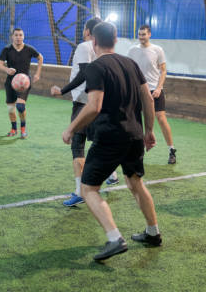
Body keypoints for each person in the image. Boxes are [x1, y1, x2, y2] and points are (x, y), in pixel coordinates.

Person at [62, 22, 162, 261]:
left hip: (110, 136)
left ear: (93, 42)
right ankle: (153, 233)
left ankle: (114, 238)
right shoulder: (131, 64)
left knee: (88, 188)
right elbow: (147, 99)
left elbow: (94, 106)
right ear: (116, 40)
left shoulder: (96, 67)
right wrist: (148, 129)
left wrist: (71, 128)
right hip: (135, 134)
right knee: (135, 182)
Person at [51, 18, 103, 207]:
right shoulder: (102, 49)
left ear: (88, 31)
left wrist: (62, 90)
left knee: (77, 146)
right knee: (99, 143)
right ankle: (110, 176)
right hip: (99, 102)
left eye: (84, 29)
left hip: (83, 102)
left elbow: (84, 73)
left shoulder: (84, 46)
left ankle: (79, 191)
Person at [127, 25, 177, 164]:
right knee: (136, 119)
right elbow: (130, 70)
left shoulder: (157, 50)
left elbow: (163, 71)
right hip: (138, 91)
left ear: (149, 34)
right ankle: (137, 151)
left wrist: (159, 88)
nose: (141, 37)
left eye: (144, 34)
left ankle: (172, 150)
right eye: (139, 34)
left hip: (154, 90)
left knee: (161, 118)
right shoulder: (132, 50)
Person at [0, 28, 43, 139]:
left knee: (20, 106)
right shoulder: (7, 49)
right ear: (12, 37)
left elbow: (40, 57)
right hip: (10, 82)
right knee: (10, 109)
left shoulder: (29, 49)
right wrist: (7, 70)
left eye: (20, 35)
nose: (18, 37)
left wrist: (37, 74)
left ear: (23, 37)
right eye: (16, 35)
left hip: (24, 82)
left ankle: (23, 128)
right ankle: (13, 129)